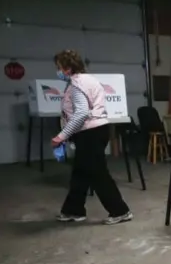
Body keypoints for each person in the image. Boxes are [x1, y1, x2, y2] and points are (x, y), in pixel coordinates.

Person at [51, 50, 133, 225]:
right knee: (80, 173)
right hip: (96, 130)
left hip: (89, 133)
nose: (57, 71)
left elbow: (81, 113)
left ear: (67, 68)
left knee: (98, 174)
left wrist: (61, 136)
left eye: (59, 67)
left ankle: (120, 211)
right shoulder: (89, 80)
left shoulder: (76, 84)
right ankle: (73, 210)